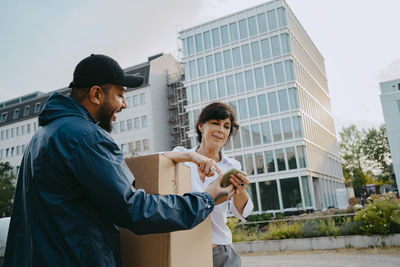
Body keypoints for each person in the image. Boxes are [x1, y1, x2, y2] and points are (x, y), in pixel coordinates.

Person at [3, 54, 235, 267]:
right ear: (96, 94)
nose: (124, 104)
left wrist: (184, 157)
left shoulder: (44, 136)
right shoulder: (85, 137)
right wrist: (206, 199)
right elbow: (133, 209)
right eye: (120, 95)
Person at [163, 102, 254, 267]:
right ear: (201, 126)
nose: (221, 130)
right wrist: (192, 157)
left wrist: (240, 190)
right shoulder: (182, 156)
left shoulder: (232, 166)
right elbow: (158, 160)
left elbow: (242, 213)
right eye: (215, 123)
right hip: (185, 251)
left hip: (221, 253)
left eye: (226, 126)